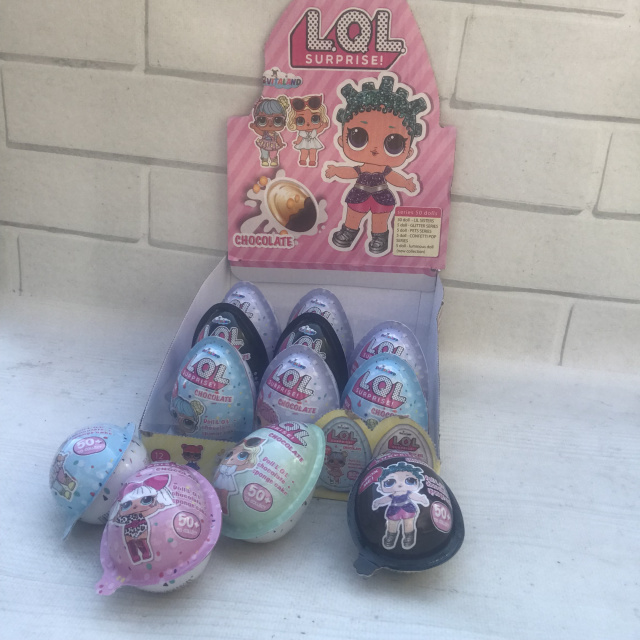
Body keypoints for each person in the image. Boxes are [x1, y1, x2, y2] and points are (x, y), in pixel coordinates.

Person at [325, 75, 429, 256]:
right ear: (342, 140)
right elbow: (351, 172)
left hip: (382, 195)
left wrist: (405, 183)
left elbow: (393, 177)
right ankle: (349, 231)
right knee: (353, 214)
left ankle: (380, 237)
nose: (374, 149)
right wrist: (336, 171)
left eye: (394, 143)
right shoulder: (361, 168)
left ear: (409, 151)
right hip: (359, 193)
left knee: (380, 219)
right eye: (357, 136)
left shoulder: (385, 170)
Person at [282, 94, 329, 167]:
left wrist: (323, 126)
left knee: (313, 151)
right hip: (304, 142)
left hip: (313, 142)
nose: (308, 124)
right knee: (304, 151)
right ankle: (303, 160)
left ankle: (312, 161)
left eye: (315, 119)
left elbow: (319, 130)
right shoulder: (302, 132)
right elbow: (300, 137)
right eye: (300, 120)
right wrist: (297, 141)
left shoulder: (314, 131)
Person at [250, 97, 289, 167]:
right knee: (264, 152)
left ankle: (273, 160)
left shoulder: (275, 134)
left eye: (277, 120)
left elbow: (278, 139)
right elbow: (260, 132)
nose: (270, 124)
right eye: (262, 120)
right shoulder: (265, 133)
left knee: (273, 153)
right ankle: (264, 160)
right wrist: (255, 128)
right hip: (265, 144)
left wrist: (280, 144)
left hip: (273, 145)